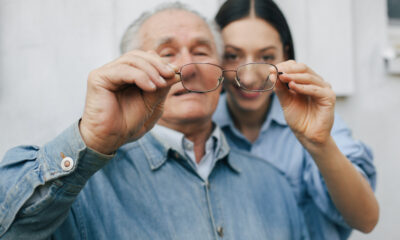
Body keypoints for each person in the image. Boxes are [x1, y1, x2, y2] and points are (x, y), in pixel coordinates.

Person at [0, 3, 309, 239]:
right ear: (131, 70)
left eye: (201, 51)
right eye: (167, 53)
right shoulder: (81, 186)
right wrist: (90, 139)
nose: (187, 68)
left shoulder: (274, 185)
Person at [212, 0, 379, 239]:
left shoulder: (313, 120)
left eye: (266, 56)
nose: (248, 77)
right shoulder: (201, 124)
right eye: (232, 55)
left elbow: (366, 219)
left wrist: (319, 144)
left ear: (286, 55)